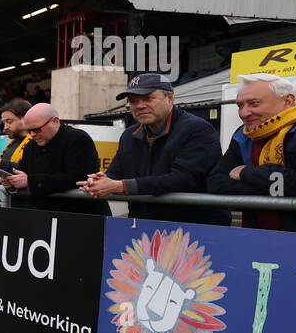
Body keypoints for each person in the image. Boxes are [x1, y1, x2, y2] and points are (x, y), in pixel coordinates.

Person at [80, 73, 228, 225]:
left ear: (169, 98)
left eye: (148, 98)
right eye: (133, 101)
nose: (139, 105)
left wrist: (121, 186)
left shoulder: (197, 129)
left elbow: (182, 179)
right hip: (144, 228)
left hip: (196, 230)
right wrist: (99, 181)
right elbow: (116, 173)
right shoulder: (129, 136)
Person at [207, 73, 296, 234]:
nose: (244, 113)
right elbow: (216, 184)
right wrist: (277, 188)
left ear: (288, 101)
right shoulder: (242, 134)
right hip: (257, 237)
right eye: (240, 105)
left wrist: (247, 172)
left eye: (254, 103)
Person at [4, 103, 109, 216]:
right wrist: (12, 183)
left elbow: (80, 177)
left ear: (54, 121)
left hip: (79, 215)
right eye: (29, 131)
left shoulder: (77, 139)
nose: (33, 134)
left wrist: (30, 181)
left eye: (37, 129)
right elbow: (23, 173)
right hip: (44, 216)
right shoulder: (31, 146)